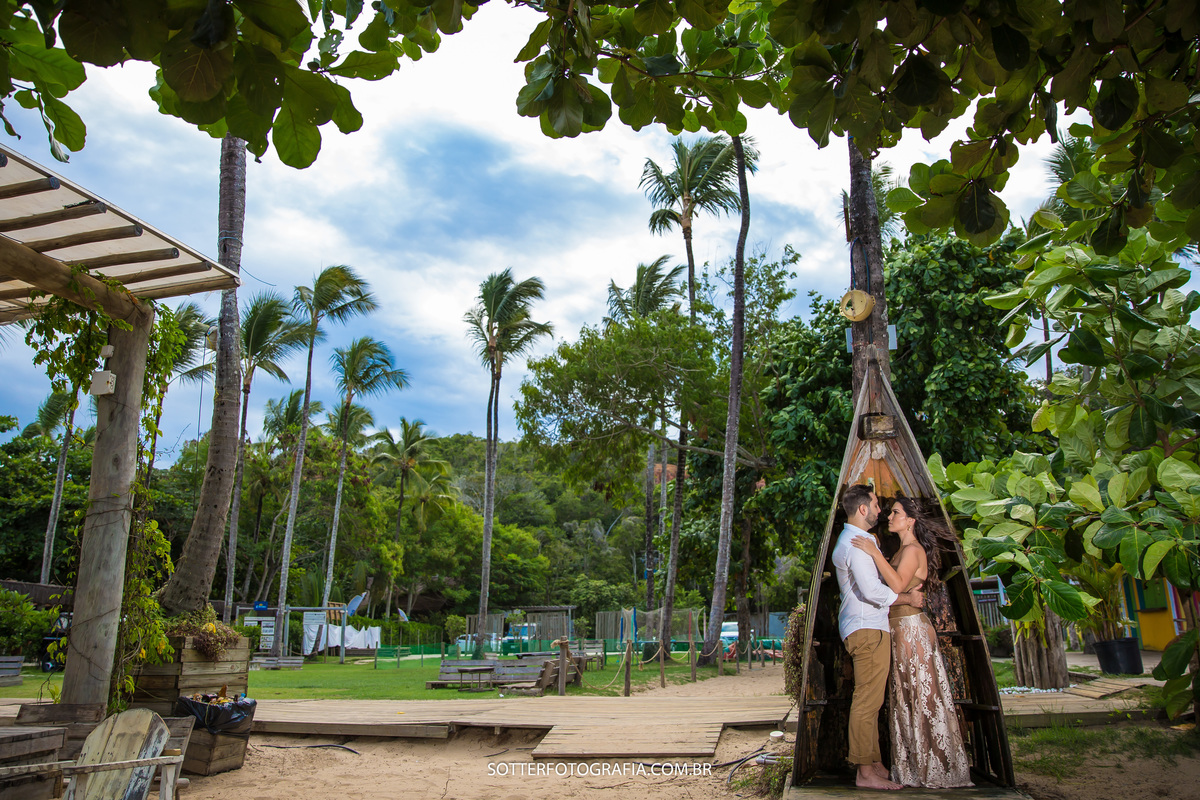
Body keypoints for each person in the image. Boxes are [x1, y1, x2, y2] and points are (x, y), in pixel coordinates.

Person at [852, 496, 973, 788]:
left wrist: (873, 551)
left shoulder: (912, 551)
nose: (889, 517)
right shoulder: (901, 550)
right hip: (898, 629)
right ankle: (916, 766)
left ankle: (938, 767)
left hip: (910, 629)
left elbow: (895, 585)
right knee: (906, 698)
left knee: (923, 695)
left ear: (910, 520)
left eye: (895, 513)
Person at [832, 485, 926, 791]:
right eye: (875, 504)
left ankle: (872, 764)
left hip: (868, 625)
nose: (880, 510)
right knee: (867, 702)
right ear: (862, 509)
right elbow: (872, 592)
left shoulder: (858, 540)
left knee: (871, 701)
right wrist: (906, 599)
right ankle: (864, 772)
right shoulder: (857, 543)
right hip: (867, 627)